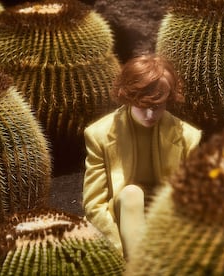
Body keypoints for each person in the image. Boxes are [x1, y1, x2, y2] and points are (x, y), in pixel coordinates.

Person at [82, 54, 202, 258]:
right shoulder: (99, 135)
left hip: (167, 215)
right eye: (143, 106)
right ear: (128, 98)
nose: (150, 115)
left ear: (168, 100)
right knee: (131, 193)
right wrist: (116, 250)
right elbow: (95, 203)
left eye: (157, 107)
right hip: (122, 214)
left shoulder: (187, 137)